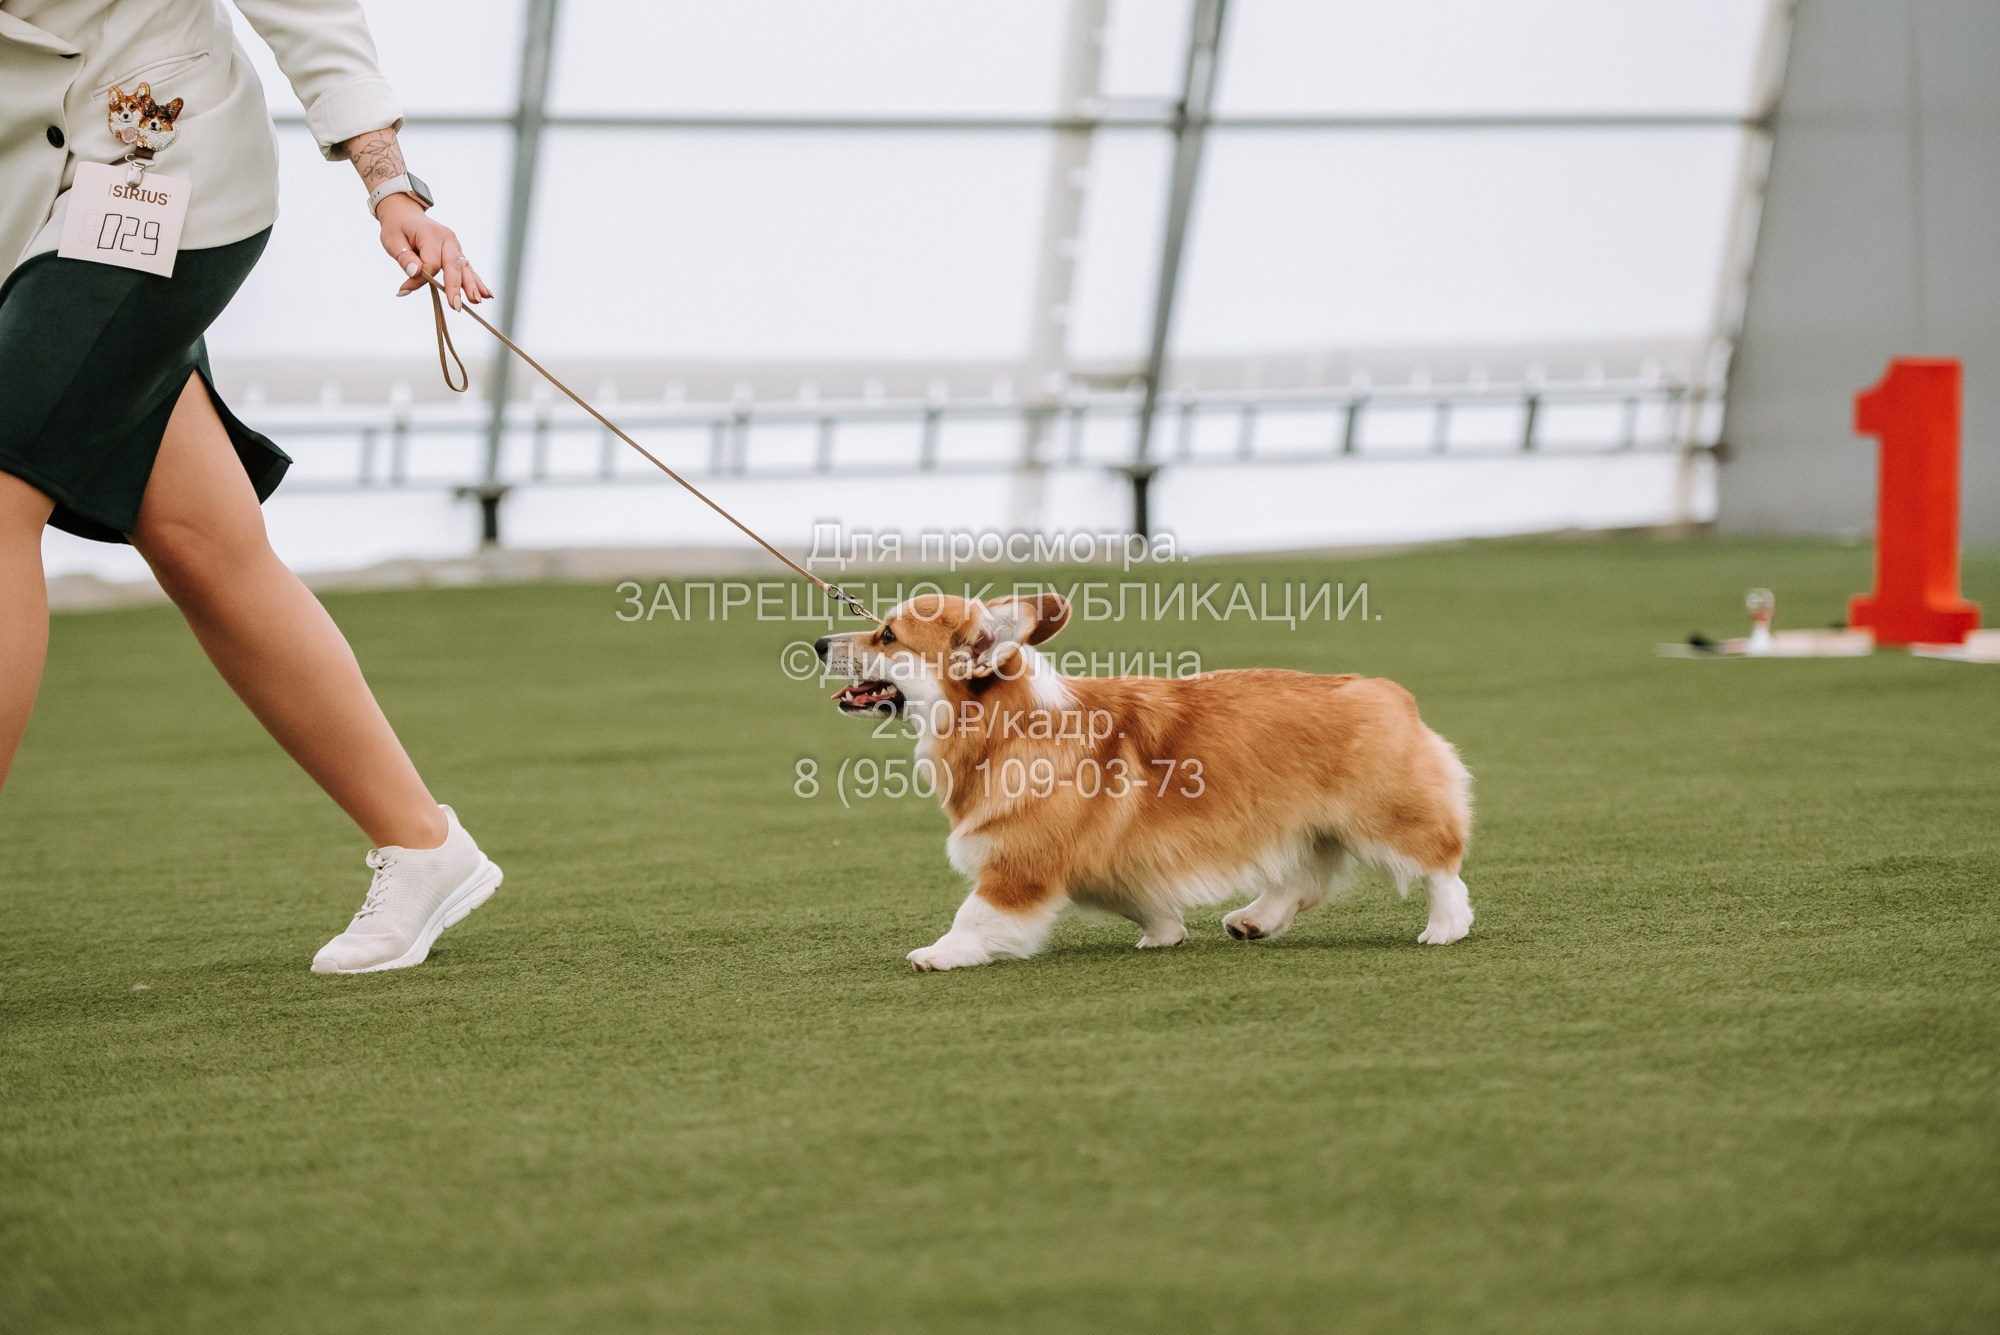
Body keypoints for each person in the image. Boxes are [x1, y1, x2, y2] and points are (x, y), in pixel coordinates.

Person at [0, 1, 503, 974]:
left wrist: (392, 187)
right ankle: (423, 843)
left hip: (156, 175)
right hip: (26, 207)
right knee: (200, 540)